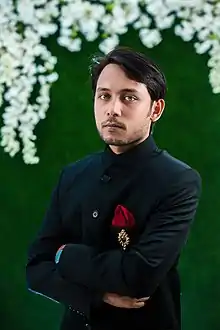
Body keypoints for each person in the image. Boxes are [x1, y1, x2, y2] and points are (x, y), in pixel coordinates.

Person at [26, 47, 201, 330]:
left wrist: (65, 255)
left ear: (155, 109)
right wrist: (95, 296)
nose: (113, 109)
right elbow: (36, 269)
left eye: (129, 97)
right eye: (104, 96)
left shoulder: (177, 180)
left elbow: (139, 276)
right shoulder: (73, 175)